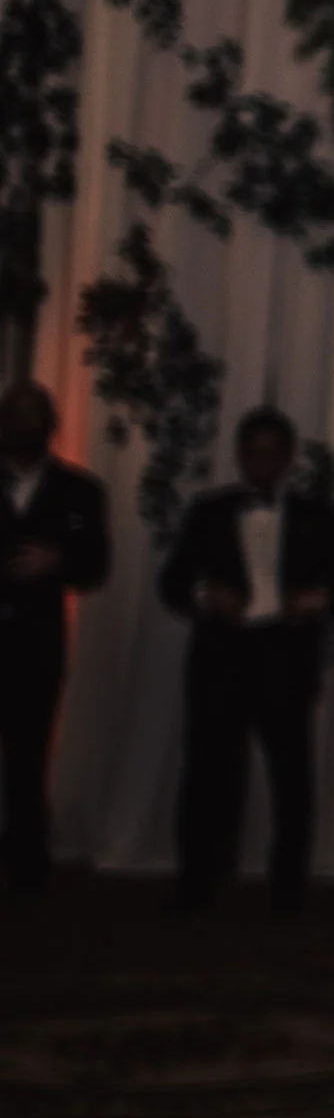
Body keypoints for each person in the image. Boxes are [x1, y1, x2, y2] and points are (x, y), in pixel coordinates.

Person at [159, 406, 334, 916]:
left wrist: (315, 600)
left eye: (273, 452)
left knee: (291, 776)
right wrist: (208, 593)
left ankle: (288, 891)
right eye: (254, 451)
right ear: (240, 455)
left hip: (285, 656)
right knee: (207, 773)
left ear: (288, 457)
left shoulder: (316, 515)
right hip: (220, 657)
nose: (263, 461)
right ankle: (196, 883)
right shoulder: (209, 511)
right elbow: (172, 583)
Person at [0, 383, 109, 893]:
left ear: (52, 423)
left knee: (28, 753)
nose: (26, 423)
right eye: (17, 414)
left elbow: (97, 567)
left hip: (36, 641)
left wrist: (59, 560)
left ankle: (26, 866)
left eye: (35, 414)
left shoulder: (80, 490)